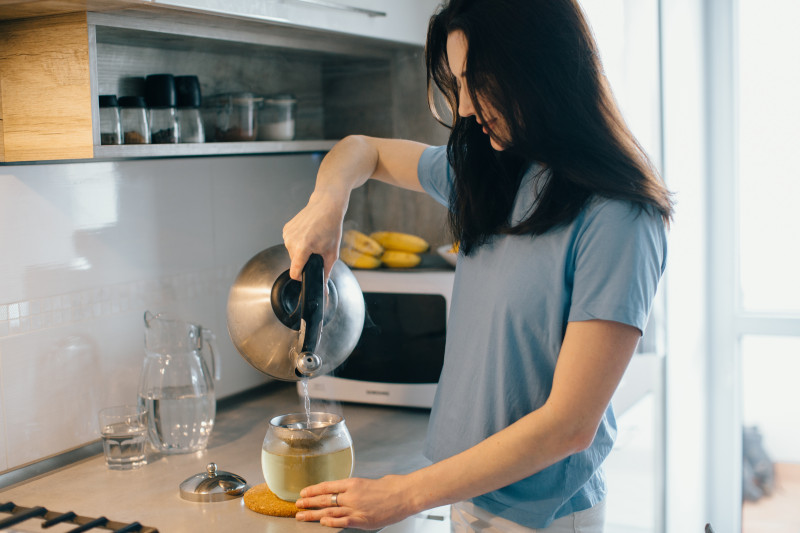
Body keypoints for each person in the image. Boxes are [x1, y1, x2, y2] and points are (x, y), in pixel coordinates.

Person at [283, 0, 673, 530]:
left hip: (546, 518)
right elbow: (361, 150)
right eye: (458, 84)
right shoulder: (492, 173)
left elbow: (569, 426)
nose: (464, 106)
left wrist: (402, 495)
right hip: (467, 494)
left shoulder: (620, 217)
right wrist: (327, 204)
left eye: (477, 81)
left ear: (539, 66)